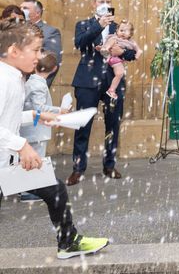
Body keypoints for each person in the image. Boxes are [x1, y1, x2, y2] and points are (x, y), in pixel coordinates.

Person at [0, 20, 108, 259]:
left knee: (55, 189)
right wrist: (22, 145)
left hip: (5, 162)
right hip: (6, 158)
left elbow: (7, 116)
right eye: (36, 50)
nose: (40, 56)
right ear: (14, 51)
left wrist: (38, 115)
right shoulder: (3, 79)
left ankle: (68, 242)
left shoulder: (15, 76)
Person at [67, 0, 137, 186]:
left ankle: (109, 165)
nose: (105, 4)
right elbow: (80, 43)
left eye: (108, 1)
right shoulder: (83, 24)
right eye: (101, 1)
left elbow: (132, 52)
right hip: (87, 82)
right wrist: (99, 25)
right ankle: (78, 168)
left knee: (113, 125)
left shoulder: (118, 27)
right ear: (93, 5)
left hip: (112, 84)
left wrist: (122, 51)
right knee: (83, 125)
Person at [18, 51, 65, 203]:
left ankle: (25, 188)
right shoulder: (39, 84)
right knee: (36, 159)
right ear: (54, 69)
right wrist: (59, 110)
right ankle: (28, 191)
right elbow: (39, 108)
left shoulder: (31, 80)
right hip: (36, 129)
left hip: (30, 128)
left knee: (30, 159)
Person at [20, 0, 62, 87]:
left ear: (37, 13)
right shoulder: (16, 29)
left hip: (31, 85)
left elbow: (51, 63)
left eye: (25, 8)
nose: (21, 10)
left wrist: (38, 86)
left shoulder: (50, 31)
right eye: (21, 8)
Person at [100, 20, 141, 104]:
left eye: (126, 31)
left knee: (120, 74)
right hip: (114, 59)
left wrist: (136, 54)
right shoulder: (115, 38)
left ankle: (111, 90)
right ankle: (105, 51)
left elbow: (137, 50)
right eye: (121, 30)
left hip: (118, 60)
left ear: (130, 34)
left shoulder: (131, 42)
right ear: (117, 31)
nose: (123, 33)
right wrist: (105, 48)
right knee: (120, 73)